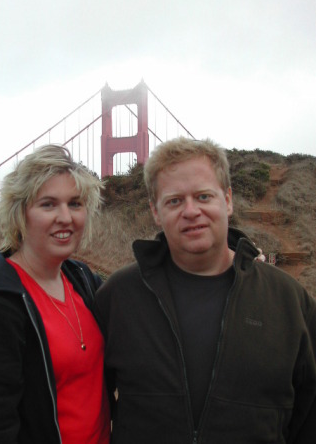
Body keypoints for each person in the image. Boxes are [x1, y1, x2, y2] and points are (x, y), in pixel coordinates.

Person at [93, 137, 316, 444]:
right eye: (174, 201)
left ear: (227, 200)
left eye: (203, 196)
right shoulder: (117, 297)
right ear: (155, 212)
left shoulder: (290, 301)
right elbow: (89, 410)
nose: (191, 211)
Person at [0, 145, 110, 444]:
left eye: (75, 204)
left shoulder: (83, 280)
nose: (65, 217)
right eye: (48, 205)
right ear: (20, 213)